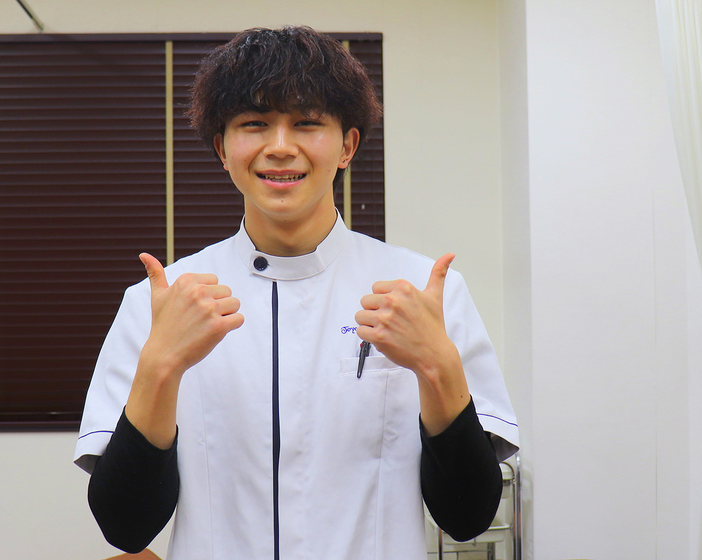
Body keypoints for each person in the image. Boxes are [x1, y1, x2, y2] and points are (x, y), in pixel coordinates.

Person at [75, 25, 519, 559]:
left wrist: (437, 366)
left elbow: (468, 518)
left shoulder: (424, 294)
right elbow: (126, 527)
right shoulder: (162, 303)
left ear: (347, 145)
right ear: (222, 149)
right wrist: (160, 366)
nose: (281, 148)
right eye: (254, 124)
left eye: (307, 123)